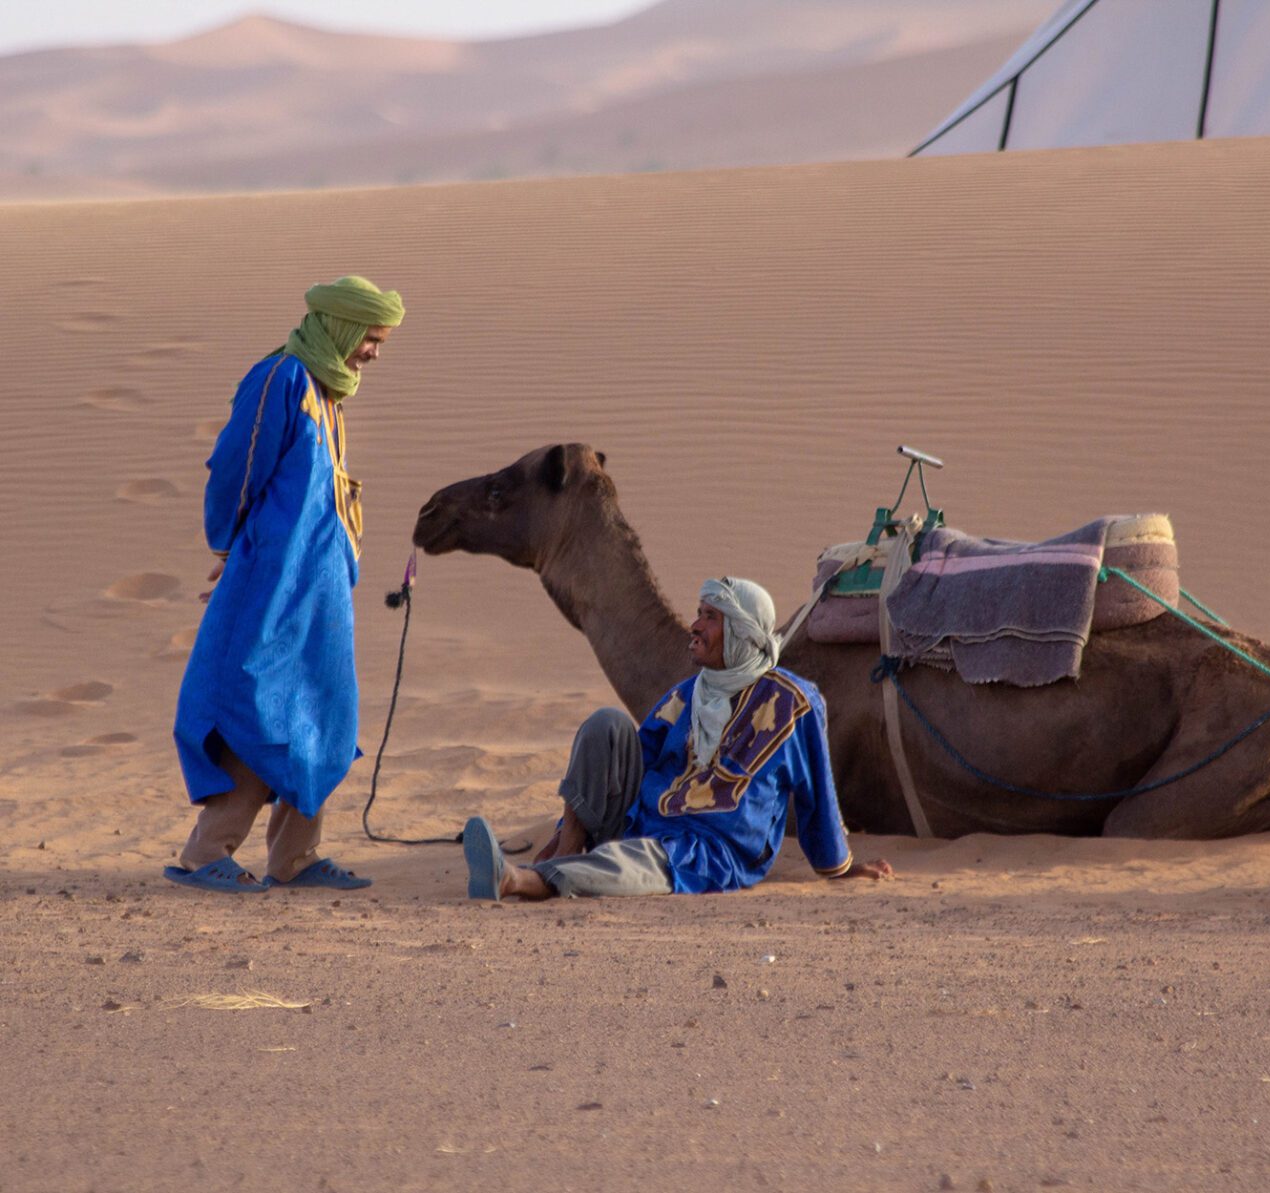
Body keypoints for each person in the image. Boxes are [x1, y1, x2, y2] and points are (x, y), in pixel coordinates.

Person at [165, 276, 405, 893]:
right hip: (271, 580)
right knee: (257, 707)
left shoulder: (329, 394)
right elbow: (234, 469)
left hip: (320, 589)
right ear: (343, 327)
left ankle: (295, 859)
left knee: (323, 712)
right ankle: (204, 853)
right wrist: (230, 548)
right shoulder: (282, 379)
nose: (375, 353)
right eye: (371, 339)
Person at [462, 576, 894, 900]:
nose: (694, 626)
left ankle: (520, 880)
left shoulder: (793, 702)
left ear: (743, 632)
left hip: (711, 848)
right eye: (698, 613)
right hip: (644, 821)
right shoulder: (689, 692)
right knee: (607, 725)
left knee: (632, 863)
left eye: (710, 617)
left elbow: (816, 789)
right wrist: (566, 826)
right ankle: (568, 849)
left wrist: (839, 867)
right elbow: (638, 753)